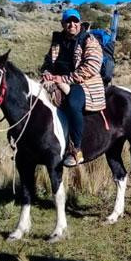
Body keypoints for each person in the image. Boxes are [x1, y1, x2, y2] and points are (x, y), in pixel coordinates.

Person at [41, 9, 106, 167]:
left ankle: (76, 150)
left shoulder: (88, 39)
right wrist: (47, 73)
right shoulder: (57, 41)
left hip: (83, 83)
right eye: (68, 21)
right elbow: (48, 62)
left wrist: (64, 79)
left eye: (75, 21)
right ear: (63, 24)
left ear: (80, 23)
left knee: (72, 103)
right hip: (56, 80)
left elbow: (92, 66)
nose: (72, 24)